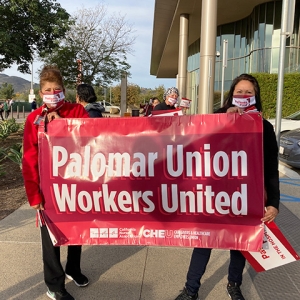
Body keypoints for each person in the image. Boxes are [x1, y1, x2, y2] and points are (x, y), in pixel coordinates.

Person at [175, 74, 280, 300]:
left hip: (246, 197)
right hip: (215, 195)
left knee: (239, 245)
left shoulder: (265, 127)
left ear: (256, 95)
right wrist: (223, 118)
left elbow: (271, 168)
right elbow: (196, 142)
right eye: (239, 92)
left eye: (248, 92)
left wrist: (273, 203)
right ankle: (190, 290)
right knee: (204, 242)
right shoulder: (217, 119)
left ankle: (234, 285)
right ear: (232, 94)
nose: (243, 96)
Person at [22, 65, 90, 300]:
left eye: (57, 89)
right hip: (47, 189)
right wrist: (34, 195)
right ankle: (54, 284)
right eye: (48, 90)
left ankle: (74, 268)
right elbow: (29, 158)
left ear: (64, 90)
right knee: (51, 238)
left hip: (76, 184)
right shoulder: (33, 119)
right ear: (41, 93)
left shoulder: (77, 111)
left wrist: (62, 124)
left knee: (76, 231)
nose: (53, 93)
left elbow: (90, 143)